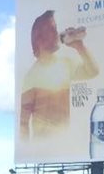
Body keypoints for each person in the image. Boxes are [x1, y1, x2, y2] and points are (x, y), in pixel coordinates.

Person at [19, 10, 99, 141]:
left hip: (65, 145)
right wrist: (30, 151)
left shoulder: (65, 64)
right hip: (44, 148)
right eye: (52, 30)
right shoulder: (31, 77)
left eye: (55, 29)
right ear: (39, 38)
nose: (57, 34)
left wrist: (80, 46)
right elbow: (23, 124)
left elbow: (93, 71)